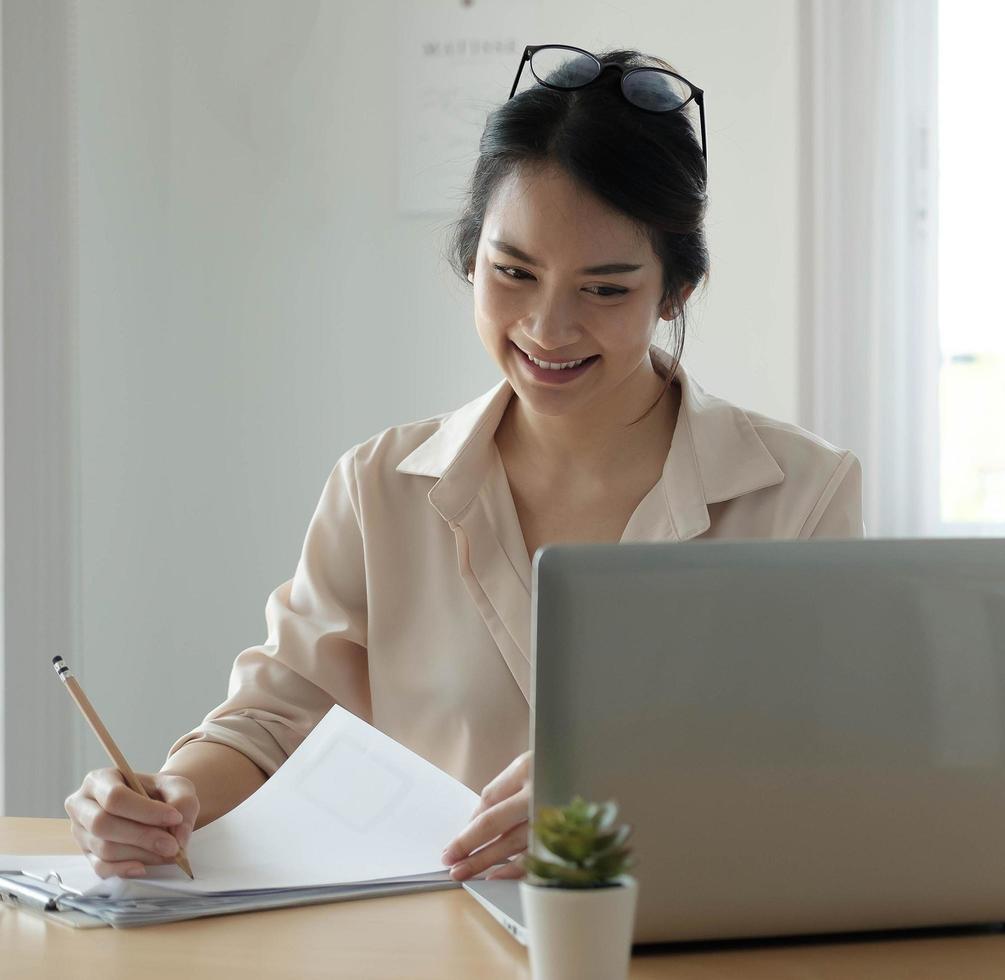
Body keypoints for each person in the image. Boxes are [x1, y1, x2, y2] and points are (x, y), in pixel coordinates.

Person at [63, 47, 862, 882]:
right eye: (513, 273)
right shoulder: (380, 487)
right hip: (429, 945)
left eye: (605, 289)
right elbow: (268, 725)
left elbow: (839, 768)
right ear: (469, 258)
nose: (547, 328)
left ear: (673, 294)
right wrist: (167, 798)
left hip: (688, 940)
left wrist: (630, 794)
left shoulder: (799, 494)